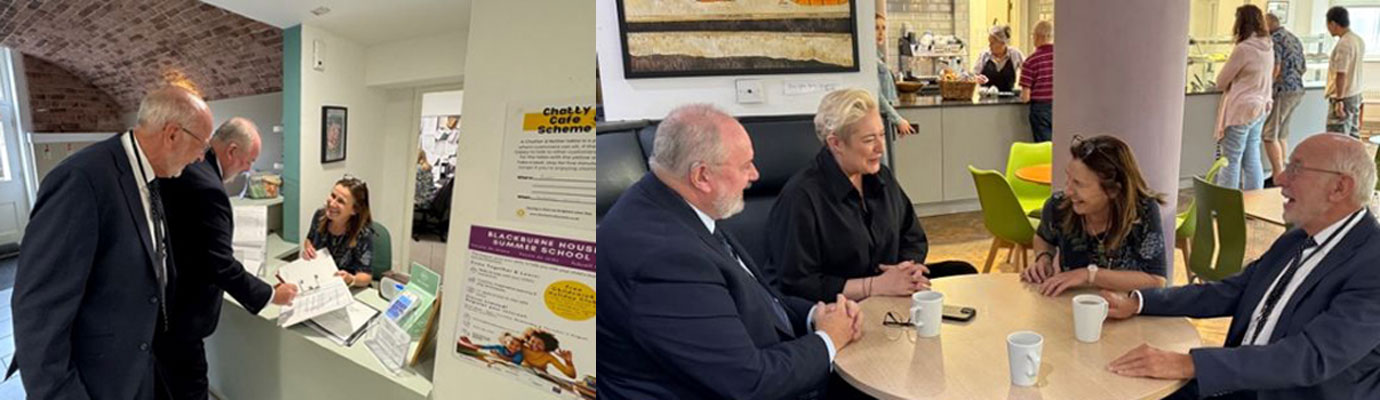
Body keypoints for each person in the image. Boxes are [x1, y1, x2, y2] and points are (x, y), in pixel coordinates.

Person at [598, 104, 863, 399]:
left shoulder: (675, 206)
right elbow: (749, 383)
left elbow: (760, 302)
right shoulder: (665, 258)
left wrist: (817, 314)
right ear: (702, 176)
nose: (755, 174)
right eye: (745, 165)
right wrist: (829, 338)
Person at [1101, 133, 1380, 399]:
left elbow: (1311, 356)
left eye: (1296, 169)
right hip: (1239, 385)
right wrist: (1138, 302)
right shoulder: (1297, 239)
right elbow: (1230, 291)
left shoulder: (1372, 262)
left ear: (1340, 187)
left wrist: (1190, 364)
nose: (1280, 178)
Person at [12, 87, 214, 398]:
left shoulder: (150, 177)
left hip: (139, 366)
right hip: (96, 381)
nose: (202, 157)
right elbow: (38, 310)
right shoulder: (82, 180)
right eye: (202, 144)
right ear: (172, 134)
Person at [768, 88, 977, 303]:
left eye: (882, 135)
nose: (880, 148)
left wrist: (907, 268)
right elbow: (797, 284)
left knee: (963, 272)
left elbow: (912, 235)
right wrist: (874, 286)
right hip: (843, 307)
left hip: (889, 294)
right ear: (836, 143)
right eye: (869, 140)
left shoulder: (881, 177)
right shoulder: (801, 197)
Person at [153, 117, 299, 399]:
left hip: (163, 305)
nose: (249, 169)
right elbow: (219, 264)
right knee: (191, 389)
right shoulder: (209, 186)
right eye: (249, 160)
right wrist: (270, 294)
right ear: (232, 151)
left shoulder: (191, 166)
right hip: (183, 314)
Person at [1020, 135, 1168, 297]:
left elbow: (1156, 280)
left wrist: (1088, 275)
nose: (1068, 191)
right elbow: (1043, 237)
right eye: (1068, 179)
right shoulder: (1058, 205)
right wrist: (1044, 257)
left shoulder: (1143, 210)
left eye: (1079, 184)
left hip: (1126, 309)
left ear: (1113, 190)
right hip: (1071, 305)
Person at [1214, 4, 1274, 191]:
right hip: (1261, 107)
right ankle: (1254, 203)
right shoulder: (1268, 46)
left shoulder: (1243, 49)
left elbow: (1221, 81)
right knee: (1252, 156)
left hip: (1241, 109)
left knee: (1230, 159)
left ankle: (1226, 204)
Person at [302, 176, 377, 287]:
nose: (332, 204)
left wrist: (351, 279)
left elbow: (366, 276)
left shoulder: (363, 233)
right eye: (333, 196)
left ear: (354, 210)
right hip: (320, 281)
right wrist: (308, 249)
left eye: (341, 201)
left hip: (347, 288)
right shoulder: (320, 215)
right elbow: (309, 239)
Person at [1263, 13, 1307, 185]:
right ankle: (1282, 172)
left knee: (1269, 134)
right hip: (1297, 90)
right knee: (1281, 134)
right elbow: (1303, 67)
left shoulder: (1274, 40)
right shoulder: (1293, 38)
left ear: (1268, 26)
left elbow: (1276, 67)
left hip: (1282, 91)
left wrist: (1267, 88)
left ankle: (1277, 175)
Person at [1325, 6, 1365, 138]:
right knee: (1353, 136)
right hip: (1355, 94)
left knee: (1337, 138)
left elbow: (1341, 73)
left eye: (1328, 25)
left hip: (1344, 96)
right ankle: (1355, 160)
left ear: (1333, 24)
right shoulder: (1357, 39)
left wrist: (1339, 101)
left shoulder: (1344, 44)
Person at [875, 13, 915, 141]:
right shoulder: (869, 59)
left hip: (885, 117)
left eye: (883, 28)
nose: (881, 33)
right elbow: (877, 94)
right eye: (876, 28)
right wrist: (897, 119)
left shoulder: (878, 57)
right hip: (878, 117)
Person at [1020, 20, 1055, 142]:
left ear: (1037, 36)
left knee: (1045, 148)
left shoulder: (1031, 61)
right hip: (1062, 106)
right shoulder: (1063, 56)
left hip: (1040, 110)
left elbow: (1026, 97)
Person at [973, 24, 1024, 92]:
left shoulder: (1015, 54)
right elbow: (973, 75)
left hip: (1009, 98)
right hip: (986, 99)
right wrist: (977, 78)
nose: (989, 46)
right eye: (989, 42)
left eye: (992, 43)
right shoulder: (984, 55)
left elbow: (1028, 71)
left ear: (1002, 43)